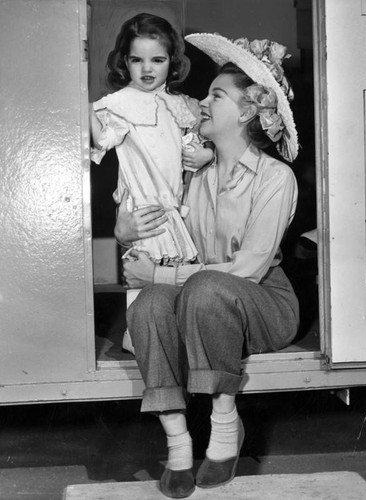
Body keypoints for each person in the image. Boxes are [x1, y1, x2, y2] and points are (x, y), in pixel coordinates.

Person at [115, 32, 300, 498]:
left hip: (263, 305)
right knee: (151, 304)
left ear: (245, 112)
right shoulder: (195, 176)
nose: (201, 99)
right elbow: (165, 230)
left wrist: (160, 274)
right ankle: (178, 442)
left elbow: (250, 267)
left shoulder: (277, 178)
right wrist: (127, 234)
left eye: (215, 94)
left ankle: (224, 426)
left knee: (201, 288)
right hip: (201, 299)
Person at [89, 13, 213, 352]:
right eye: (137, 59)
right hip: (143, 199)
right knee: (143, 265)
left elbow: (199, 145)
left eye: (157, 59)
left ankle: (168, 332)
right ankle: (136, 331)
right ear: (124, 62)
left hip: (177, 202)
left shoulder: (182, 105)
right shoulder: (117, 105)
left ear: (171, 61)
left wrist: (208, 155)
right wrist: (83, 110)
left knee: (174, 273)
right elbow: (101, 141)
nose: (147, 69)